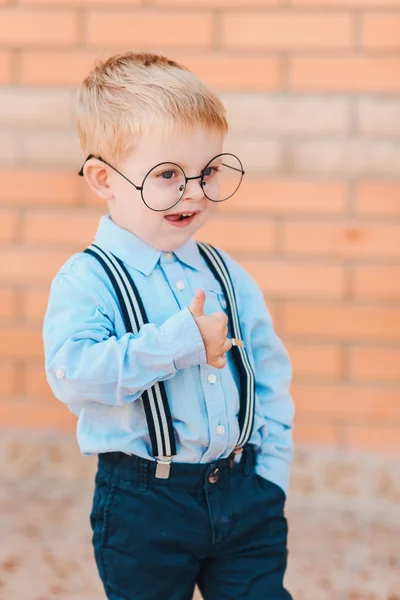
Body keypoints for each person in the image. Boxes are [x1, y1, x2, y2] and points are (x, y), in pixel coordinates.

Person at [43, 51, 295, 600]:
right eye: (167, 175)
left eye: (208, 172)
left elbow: (269, 369)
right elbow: (74, 376)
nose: (196, 192)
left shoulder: (225, 272)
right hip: (143, 503)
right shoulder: (88, 281)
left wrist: (271, 472)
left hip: (243, 490)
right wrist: (178, 342)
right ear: (103, 178)